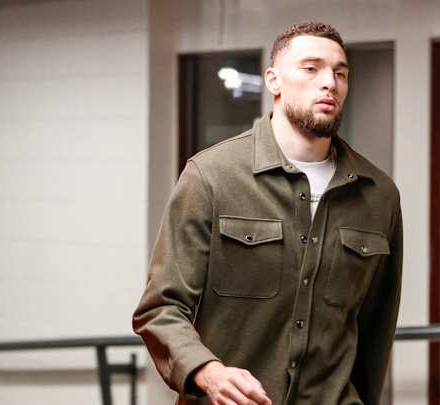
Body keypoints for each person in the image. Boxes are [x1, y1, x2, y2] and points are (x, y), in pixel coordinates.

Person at [133, 21, 403, 405]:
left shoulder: (379, 196)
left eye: (340, 73)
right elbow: (161, 308)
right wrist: (207, 372)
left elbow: (376, 330)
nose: (329, 83)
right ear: (273, 81)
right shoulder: (212, 176)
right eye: (311, 69)